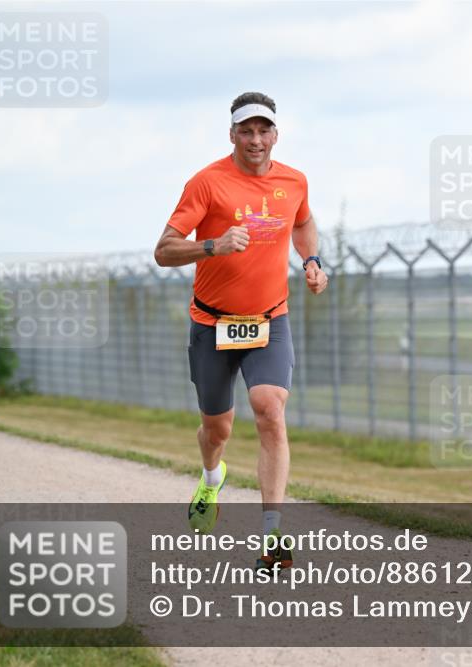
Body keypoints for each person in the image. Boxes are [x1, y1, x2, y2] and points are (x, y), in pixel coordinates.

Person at [154, 92, 328, 571]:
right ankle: (212, 479)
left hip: (270, 319)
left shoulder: (294, 181)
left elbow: (305, 223)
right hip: (212, 323)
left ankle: (272, 539)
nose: (256, 139)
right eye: (246, 131)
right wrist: (211, 245)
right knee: (218, 428)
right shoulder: (206, 184)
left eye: (263, 130)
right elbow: (164, 250)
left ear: (276, 134)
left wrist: (311, 261)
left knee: (269, 408)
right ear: (231, 134)